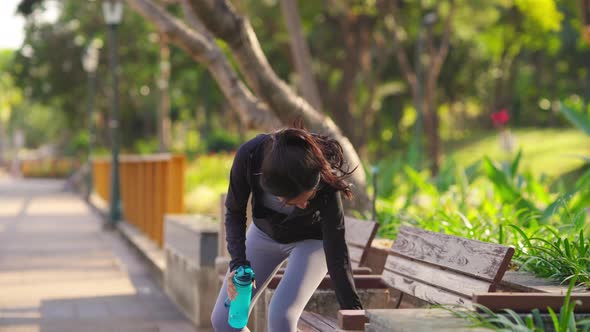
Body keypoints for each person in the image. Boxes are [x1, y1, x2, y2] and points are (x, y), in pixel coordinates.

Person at [210, 122, 363, 332]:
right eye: (295, 201)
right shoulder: (249, 156)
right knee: (225, 322)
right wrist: (238, 264)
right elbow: (235, 213)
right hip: (265, 234)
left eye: (310, 198)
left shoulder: (321, 171)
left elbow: (336, 247)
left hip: (311, 242)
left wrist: (353, 313)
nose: (305, 206)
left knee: (282, 318)